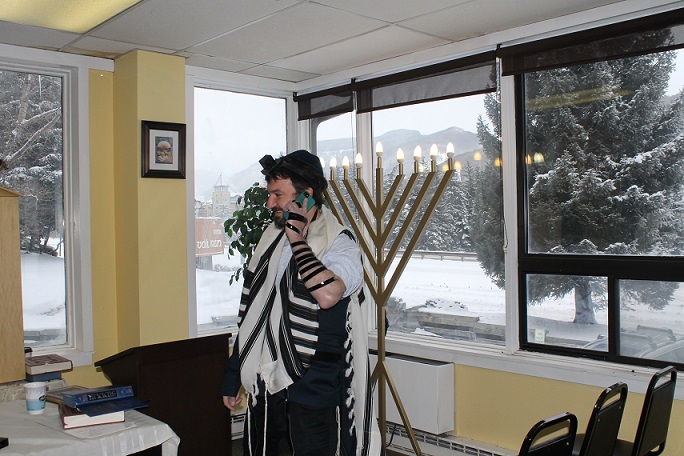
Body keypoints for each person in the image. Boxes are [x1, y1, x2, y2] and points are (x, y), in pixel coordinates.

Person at [221, 149, 381, 456]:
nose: (270, 204)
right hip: (267, 384)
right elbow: (257, 312)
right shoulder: (272, 240)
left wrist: (297, 239)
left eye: (278, 195)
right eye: (270, 195)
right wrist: (233, 376)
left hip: (316, 388)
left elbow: (327, 294)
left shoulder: (341, 244)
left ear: (306, 196)